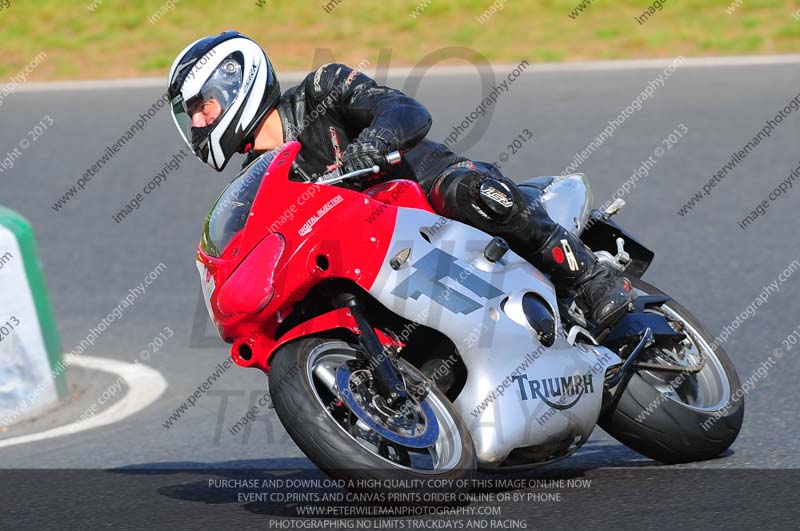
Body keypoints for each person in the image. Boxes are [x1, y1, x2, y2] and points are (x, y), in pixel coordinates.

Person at [167, 31, 632, 329]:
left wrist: (375, 140)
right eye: (190, 116)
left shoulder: (320, 90)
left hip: (425, 189)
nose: (198, 125)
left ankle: (591, 279)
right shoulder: (260, 181)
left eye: (201, 108)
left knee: (468, 191)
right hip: (379, 254)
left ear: (234, 82)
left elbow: (407, 110)